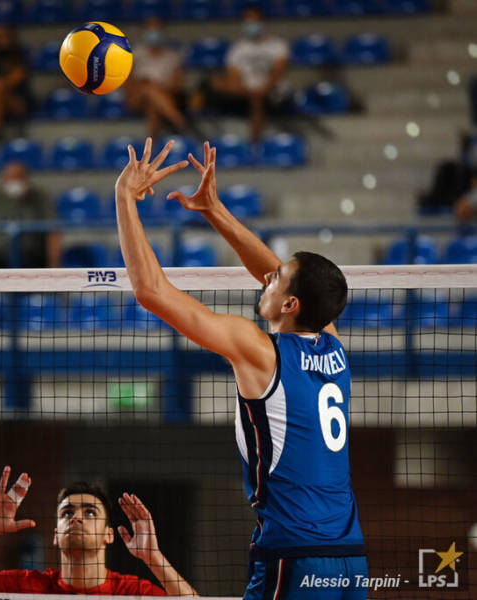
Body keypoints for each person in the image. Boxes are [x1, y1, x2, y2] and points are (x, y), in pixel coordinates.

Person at [115, 139, 367, 599]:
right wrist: (215, 211)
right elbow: (280, 275)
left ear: (291, 304)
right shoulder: (332, 341)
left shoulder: (259, 349)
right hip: (350, 557)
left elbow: (151, 292)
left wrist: (124, 198)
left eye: (277, 279)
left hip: (294, 555)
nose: (267, 275)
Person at [0, 466, 196, 596]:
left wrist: (154, 558)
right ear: (56, 535)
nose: (77, 518)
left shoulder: (131, 591)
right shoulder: (25, 587)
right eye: (67, 513)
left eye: (90, 512)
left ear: (108, 535)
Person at [204, 6, 288, 142]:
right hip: (245, 89)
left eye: (254, 20)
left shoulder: (278, 45)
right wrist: (250, 90)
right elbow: (233, 76)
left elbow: (278, 72)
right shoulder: (237, 48)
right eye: (248, 21)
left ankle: (255, 143)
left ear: (262, 22)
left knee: (258, 99)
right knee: (211, 83)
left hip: (273, 90)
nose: (251, 25)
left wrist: (264, 89)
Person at [0, 162, 61, 268]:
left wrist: (54, 263)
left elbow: (53, 231)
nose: (13, 183)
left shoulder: (40, 197)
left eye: (17, 178)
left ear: (26, 179)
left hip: (32, 257)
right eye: (10, 179)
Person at [125, 17, 186, 138]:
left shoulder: (173, 56)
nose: (154, 33)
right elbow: (128, 83)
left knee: (153, 105)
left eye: (157, 29)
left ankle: (152, 144)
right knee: (148, 88)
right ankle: (179, 121)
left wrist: (156, 87)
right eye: (150, 30)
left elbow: (177, 86)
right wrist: (146, 86)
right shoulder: (134, 55)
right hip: (137, 98)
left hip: (165, 96)